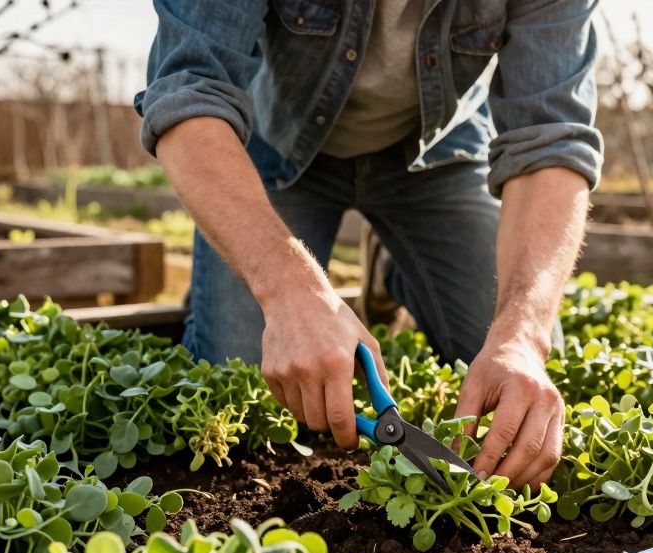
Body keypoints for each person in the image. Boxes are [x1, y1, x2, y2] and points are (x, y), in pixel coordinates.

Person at [134, 0, 603, 489]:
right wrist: (288, 290)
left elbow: (551, 142)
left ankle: (394, 268)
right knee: (241, 381)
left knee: (520, 395)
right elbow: (188, 94)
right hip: (276, 147)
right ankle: (236, 258)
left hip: (434, 152)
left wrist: (523, 334)